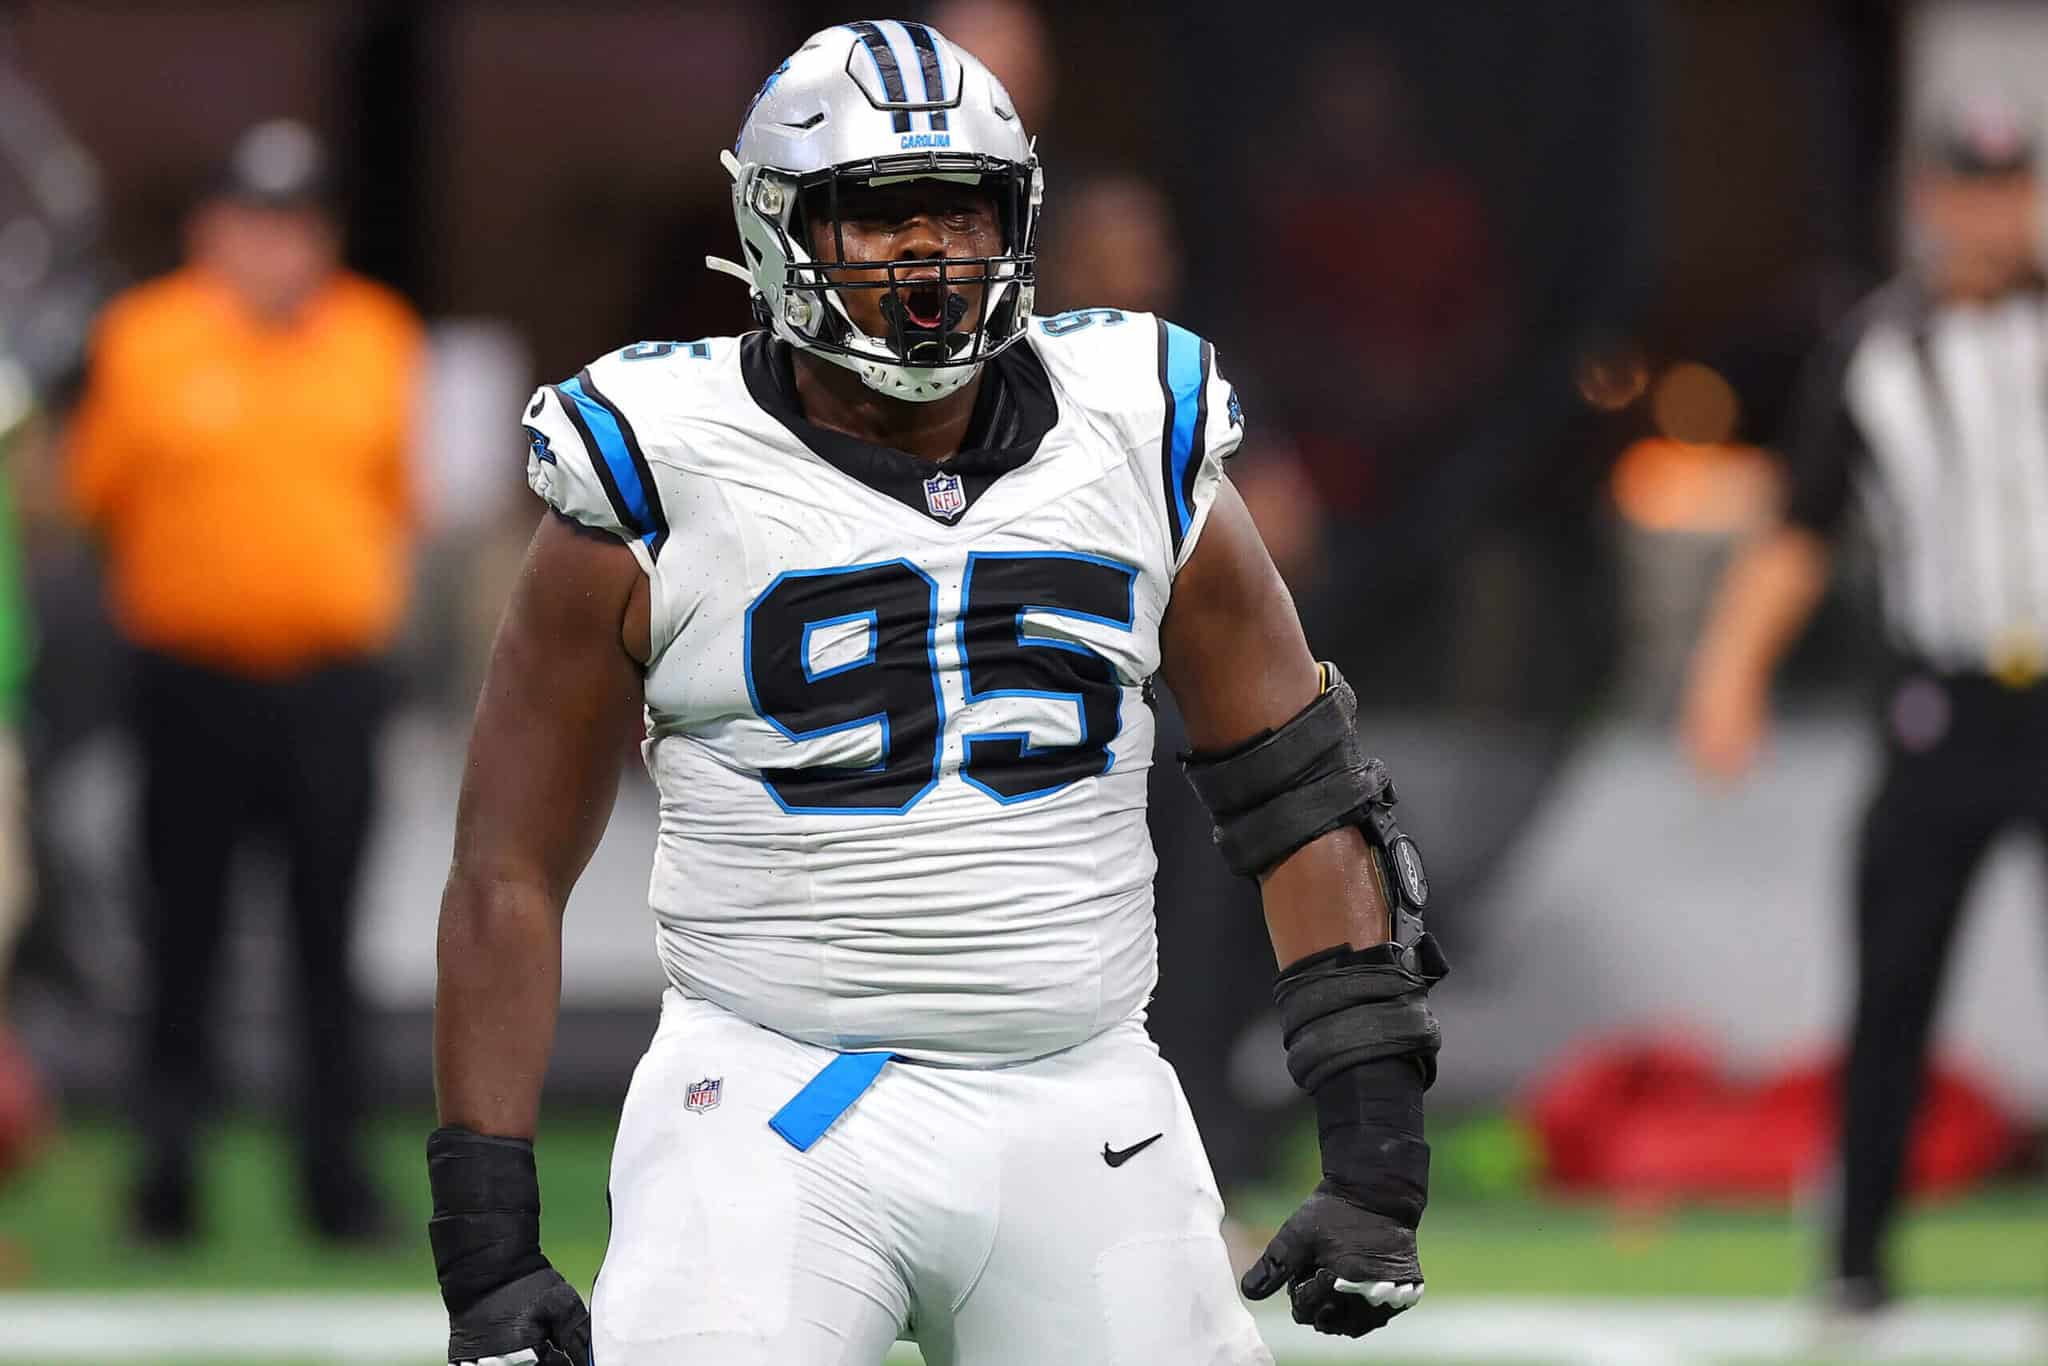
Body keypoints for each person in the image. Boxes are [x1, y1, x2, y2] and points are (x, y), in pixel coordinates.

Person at [428, 21, 1446, 1366]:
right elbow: (506, 871)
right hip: (768, 1098)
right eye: (879, 215)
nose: (927, 254)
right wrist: (485, 1232)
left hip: (1078, 1093)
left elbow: (1302, 789)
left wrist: (1375, 1141)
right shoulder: (656, 466)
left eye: (958, 211)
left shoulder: (1135, 426)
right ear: (782, 229)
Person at [1682, 104, 2048, 1314]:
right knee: (1892, 980)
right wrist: (1727, 671)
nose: (1989, 213)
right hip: (1940, 702)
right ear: (1929, 199)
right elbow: (1801, 529)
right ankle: (1855, 1255)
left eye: (2009, 186)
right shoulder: (1874, 350)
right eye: (1968, 188)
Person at [65, 119, 424, 1242]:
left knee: (329, 940)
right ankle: (166, 1176)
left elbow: (399, 501)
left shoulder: (376, 334)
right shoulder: (145, 336)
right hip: (189, 682)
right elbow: (96, 498)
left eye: (297, 225)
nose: (276, 248)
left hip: (330, 685)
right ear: (208, 227)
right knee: (181, 935)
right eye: (255, 222)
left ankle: (335, 1180)